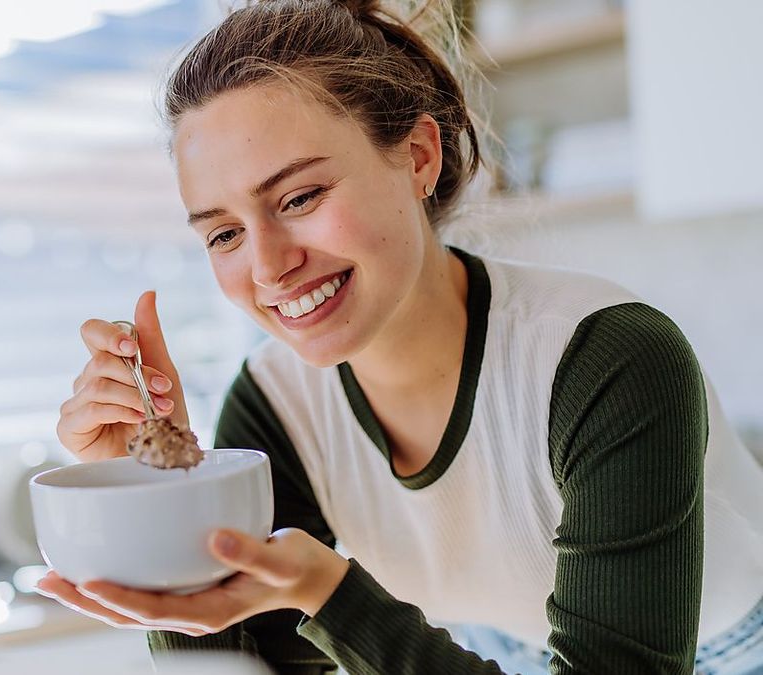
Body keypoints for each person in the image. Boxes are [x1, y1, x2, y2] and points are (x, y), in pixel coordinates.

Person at [41, 1, 763, 672]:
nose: (269, 266)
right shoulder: (275, 406)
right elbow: (249, 664)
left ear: (419, 157)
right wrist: (158, 494)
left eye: (300, 197)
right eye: (225, 232)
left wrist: (333, 594)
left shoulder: (606, 360)